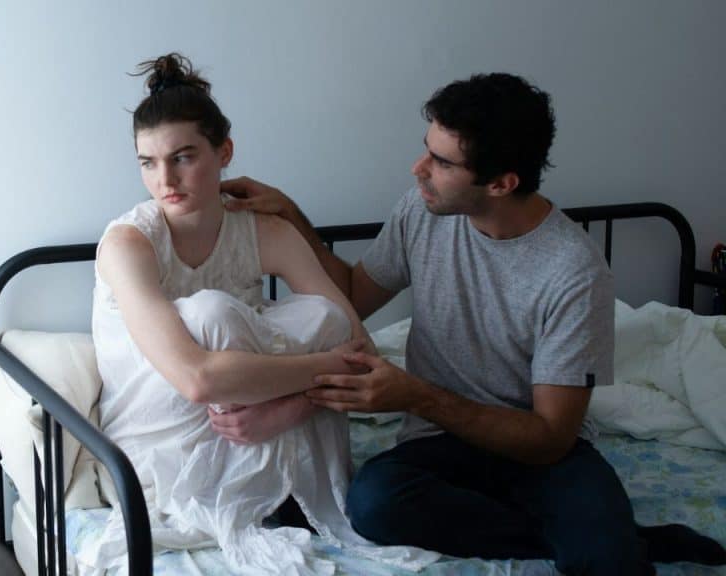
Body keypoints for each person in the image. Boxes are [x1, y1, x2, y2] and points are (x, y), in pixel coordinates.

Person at [220, 73, 726, 575]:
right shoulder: (422, 213)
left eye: (441, 162)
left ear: (502, 183)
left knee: (606, 564)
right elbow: (353, 294)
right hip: (436, 442)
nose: (418, 169)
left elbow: (550, 436)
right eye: (427, 149)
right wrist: (291, 216)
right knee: (374, 504)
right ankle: (606, 537)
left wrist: (413, 395)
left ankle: (603, 540)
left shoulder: (574, 271)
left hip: (536, 451)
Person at [85, 53, 437, 575]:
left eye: (184, 157)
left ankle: (274, 485)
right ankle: (244, 490)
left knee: (325, 320)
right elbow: (198, 379)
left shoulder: (263, 232)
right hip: (161, 427)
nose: (165, 179)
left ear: (224, 151)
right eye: (148, 162)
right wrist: (316, 378)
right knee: (211, 314)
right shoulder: (128, 243)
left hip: (257, 413)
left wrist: (292, 406)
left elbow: (354, 341)